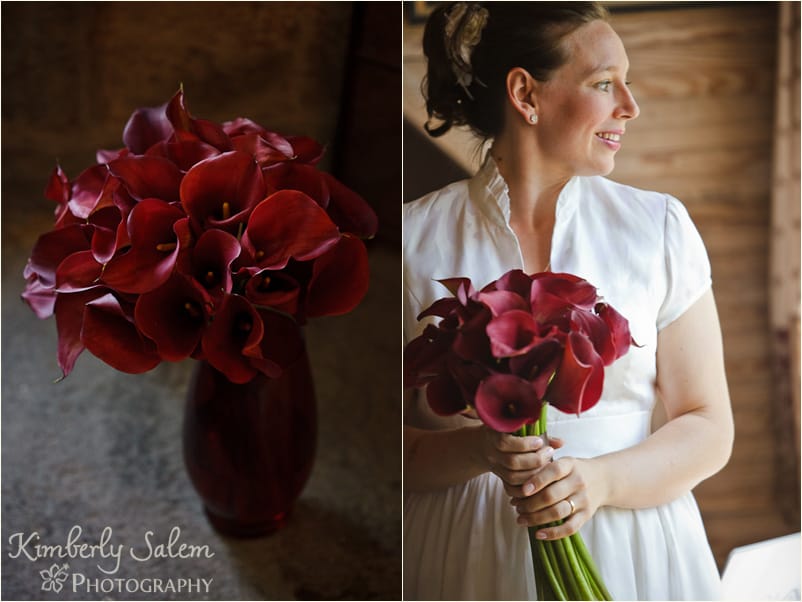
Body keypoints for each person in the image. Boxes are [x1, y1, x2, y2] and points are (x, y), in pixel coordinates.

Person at [402, 3, 734, 600]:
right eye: (605, 84)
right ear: (526, 94)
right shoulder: (412, 241)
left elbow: (709, 426)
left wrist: (600, 482)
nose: (629, 106)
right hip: (467, 552)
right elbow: (393, 447)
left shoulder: (660, 227)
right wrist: (480, 448)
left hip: (635, 546)